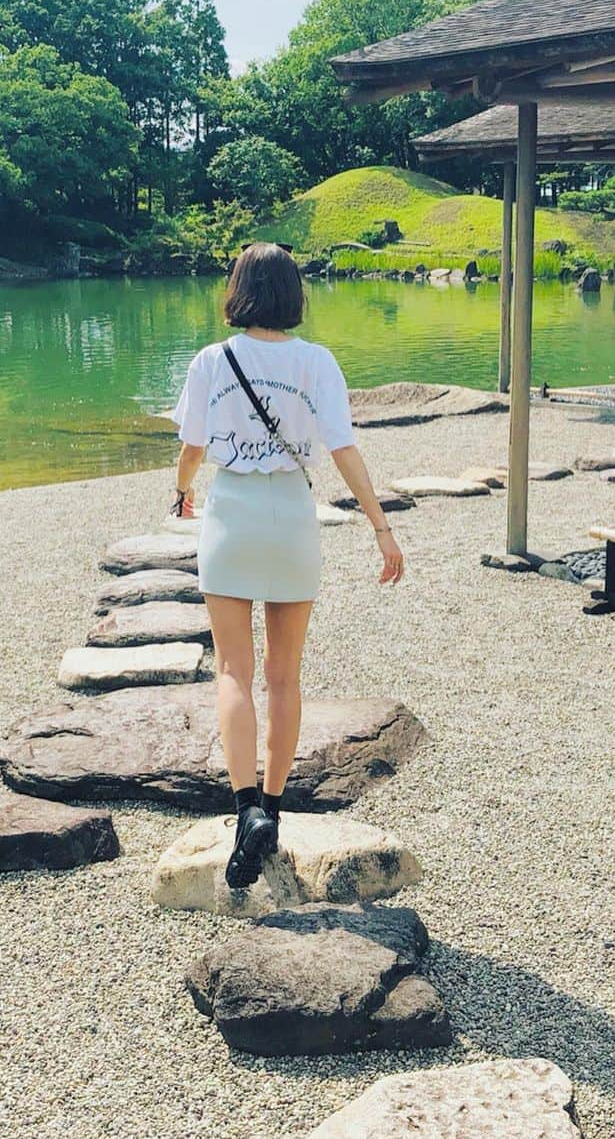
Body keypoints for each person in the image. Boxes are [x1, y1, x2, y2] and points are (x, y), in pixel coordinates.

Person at [170, 242, 404, 889]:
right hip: (293, 516)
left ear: (238, 290)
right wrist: (380, 528)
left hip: (235, 511)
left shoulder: (212, 361)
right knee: (286, 676)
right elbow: (343, 450)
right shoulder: (316, 362)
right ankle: (272, 807)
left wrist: (183, 487)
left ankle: (245, 808)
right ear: (295, 294)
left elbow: (193, 447)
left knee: (234, 671)